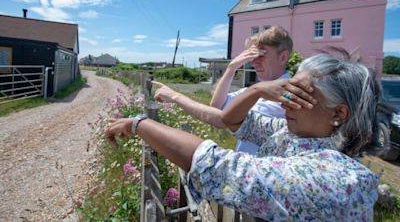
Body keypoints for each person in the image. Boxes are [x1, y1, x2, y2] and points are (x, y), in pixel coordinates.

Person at [105, 53, 380, 221]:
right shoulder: (295, 135)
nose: (285, 102)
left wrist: (139, 124)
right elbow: (232, 121)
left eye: (298, 97)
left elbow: (218, 165)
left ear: (339, 113)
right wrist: (258, 90)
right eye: (287, 92)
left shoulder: (335, 178)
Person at [153, 26, 293, 154]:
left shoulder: (288, 95)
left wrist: (174, 96)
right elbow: (217, 105)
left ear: (283, 57)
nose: (254, 61)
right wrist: (231, 68)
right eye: (253, 55)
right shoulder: (254, 91)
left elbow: (222, 119)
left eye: (261, 54)